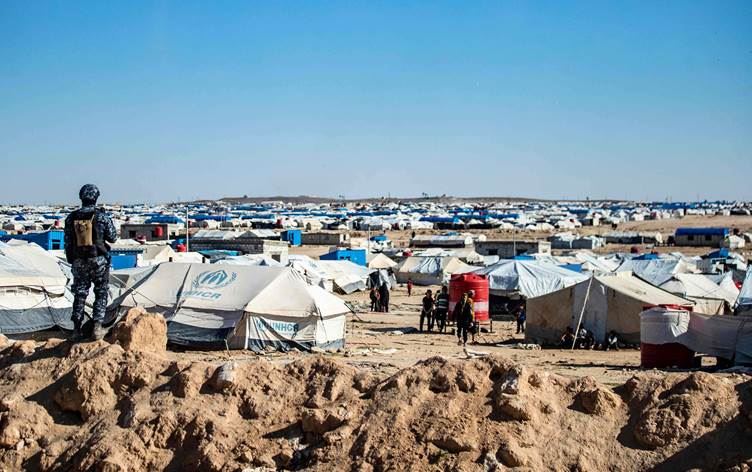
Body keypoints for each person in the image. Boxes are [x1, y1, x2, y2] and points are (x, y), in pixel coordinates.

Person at [64, 184, 117, 341]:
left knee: (80, 294)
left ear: (81, 197)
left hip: (79, 261)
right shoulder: (101, 217)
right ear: (96, 197)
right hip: (98, 260)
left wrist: (72, 259)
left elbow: (67, 242)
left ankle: (76, 330)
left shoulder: (71, 218)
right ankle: (97, 328)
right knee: (101, 292)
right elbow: (113, 237)